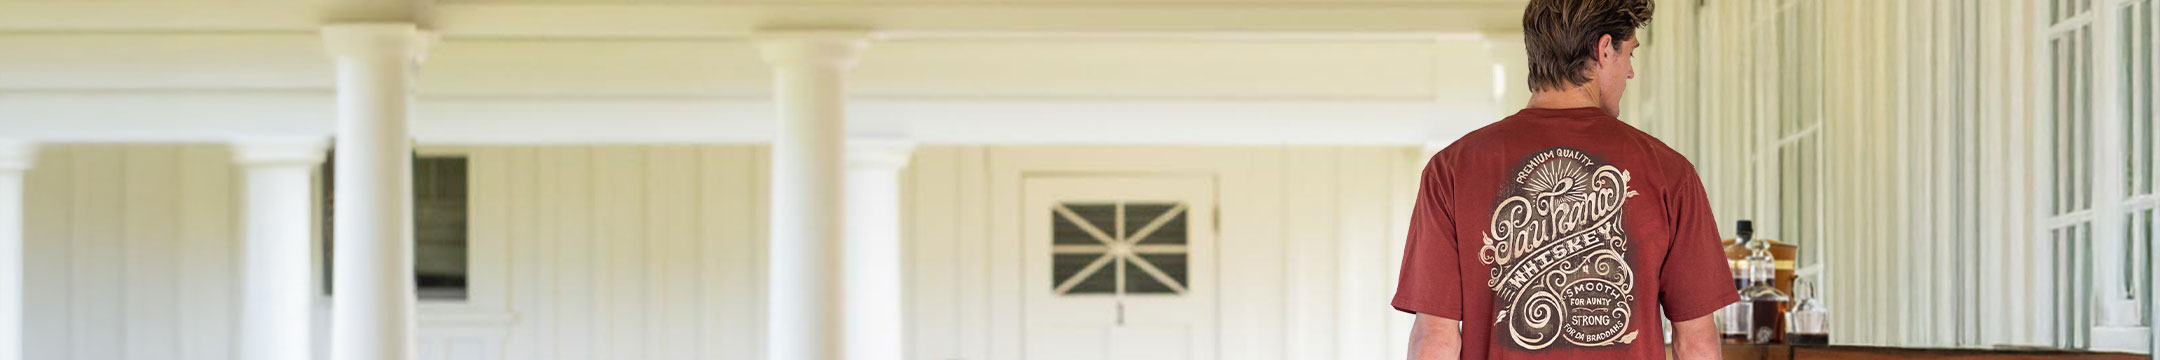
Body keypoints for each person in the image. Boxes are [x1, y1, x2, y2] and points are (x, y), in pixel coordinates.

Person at [1390, 0, 1735, 359]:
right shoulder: (1670, 172)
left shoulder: (1451, 170)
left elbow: (1435, 340)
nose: (1630, 72)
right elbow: (1696, 343)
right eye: (1629, 54)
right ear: (1604, 50)